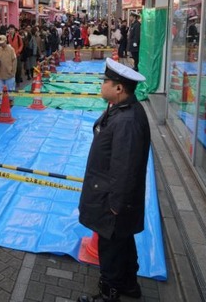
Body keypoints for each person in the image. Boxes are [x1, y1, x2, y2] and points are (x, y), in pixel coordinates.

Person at [78, 58, 151, 302]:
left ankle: (109, 293)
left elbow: (125, 167)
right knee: (123, 241)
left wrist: (115, 205)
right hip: (111, 193)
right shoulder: (119, 109)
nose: (102, 85)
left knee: (110, 248)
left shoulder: (127, 121)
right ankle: (129, 285)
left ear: (119, 88)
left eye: (105, 81)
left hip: (112, 198)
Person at [0, 34, 17, 110]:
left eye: (2, 42)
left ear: (6, 41)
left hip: (9, 73)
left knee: (10, 88)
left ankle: (11, 100)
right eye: (0, 43)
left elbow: (14, 61)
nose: (1, 44)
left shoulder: (11, 50)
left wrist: (13, 71)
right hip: (0, 72)